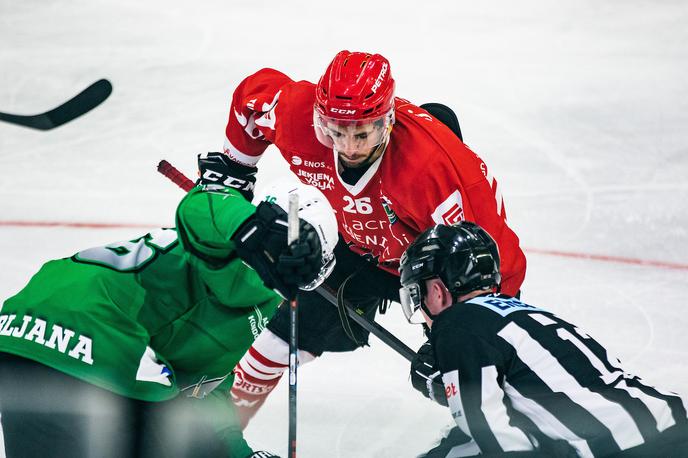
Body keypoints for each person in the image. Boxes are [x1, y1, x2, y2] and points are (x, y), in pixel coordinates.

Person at [199, 49, 528, 425]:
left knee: (465, 370)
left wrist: (464, 338)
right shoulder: (297, 116)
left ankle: (503, 428)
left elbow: (497, 265)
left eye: (363, 133)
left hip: (429, 264)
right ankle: (221, 430)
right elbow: (252, 98)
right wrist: (235, 168)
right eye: (335, 132)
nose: (349, 147)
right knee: (281, 338)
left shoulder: (433, 170)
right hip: (351, 243)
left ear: (387, 121)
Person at [0, 180, 338, 458]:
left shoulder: (231, 270)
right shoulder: (234, 260)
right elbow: (204, 204)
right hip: (94, 338)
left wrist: (241, 454)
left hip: (22, 331)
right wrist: (269, 235)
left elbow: (205, 388)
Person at [399, 222, 688, 457]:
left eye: (417, 293)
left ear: (438, 291)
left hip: (622, 448)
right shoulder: (526, 314)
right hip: (673, 423)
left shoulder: (456, 323)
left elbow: (498, 440)